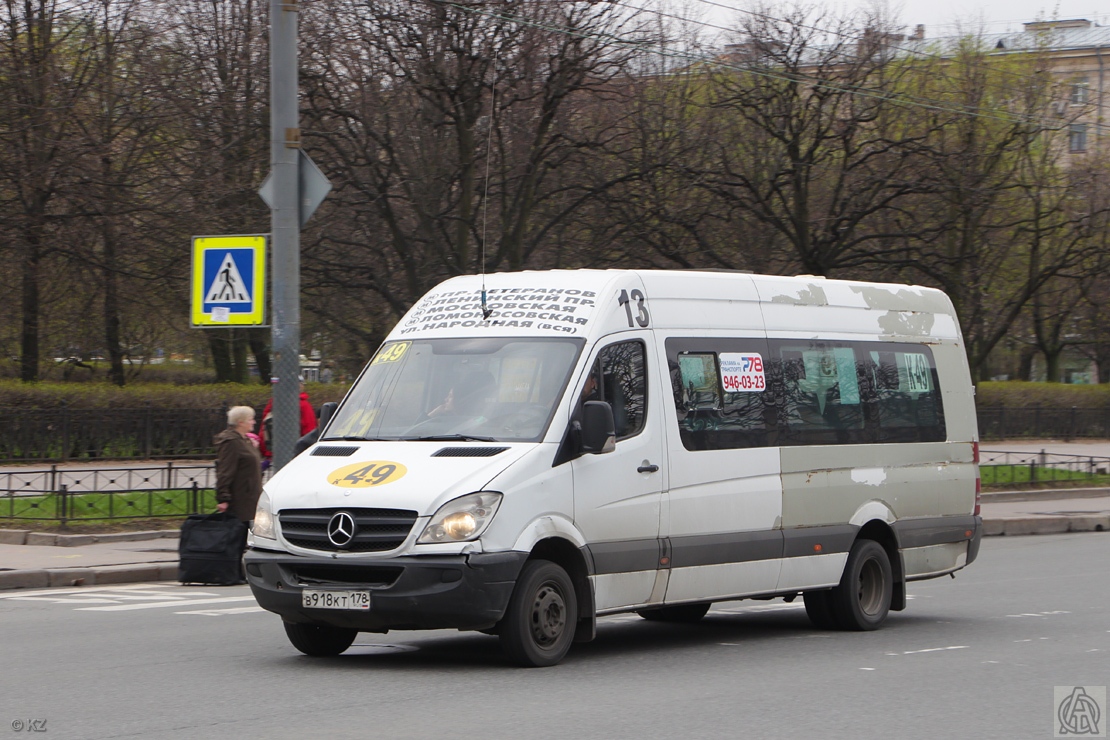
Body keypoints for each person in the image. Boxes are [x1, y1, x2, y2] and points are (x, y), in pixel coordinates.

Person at [214, 406, 263, 567]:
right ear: (240, 422)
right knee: (236, 537)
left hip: (249, 496)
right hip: (240, 497)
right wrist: (223, 497)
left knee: (242, 537)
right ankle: (230, 570)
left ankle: (236, 571)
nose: (253, 422)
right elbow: (225, 471)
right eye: (250, 419)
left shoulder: (244, 439)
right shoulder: (231, 442)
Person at [259, 375, 317, 466]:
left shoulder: (274, 403)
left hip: (273, 453)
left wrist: (266, 451)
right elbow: (309, 430)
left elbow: (264, 426)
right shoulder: (303, 405)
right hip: (296, 454)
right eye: (301, 384)